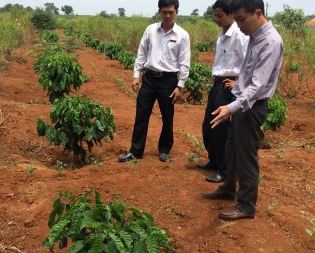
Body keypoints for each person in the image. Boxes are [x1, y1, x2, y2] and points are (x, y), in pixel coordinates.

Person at [202, 0, 284, 221]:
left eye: (240, 19)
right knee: (232, 150)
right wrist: (235, 95)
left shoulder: (270, 42)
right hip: (242, 104)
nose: (238, 25)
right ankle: (229, 189)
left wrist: (231, 107)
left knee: (246, 157)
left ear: (257, 13)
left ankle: (246, 205)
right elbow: (245, 74)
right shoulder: (255, 38)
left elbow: (257, 86)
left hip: (252, 107)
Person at [118, 0, 190, 162]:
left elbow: (185, 63)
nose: (167, 15)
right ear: (159, 11)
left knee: (167, 116)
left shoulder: (182, 35)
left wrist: (180, 86)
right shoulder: (150, 30)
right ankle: (136, 150)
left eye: (171, 12)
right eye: (164, 11)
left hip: (169, 81)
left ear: (176, 12)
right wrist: (137, 75)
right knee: (141, 114)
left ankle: (164, 149)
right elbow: (142, 53)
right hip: (149, 79)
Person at [197, 0, 249, 183]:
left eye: (220, 15)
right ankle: (213, 160)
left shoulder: (239, 35)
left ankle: (224, 169)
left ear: (231, 15)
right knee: (209, 125)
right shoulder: (222, 34)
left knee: (221, 129)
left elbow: (248, 62)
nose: (216, 19)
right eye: (215, 15)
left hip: (228, 86)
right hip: (218, 84)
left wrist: (239, 82)